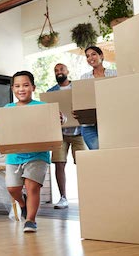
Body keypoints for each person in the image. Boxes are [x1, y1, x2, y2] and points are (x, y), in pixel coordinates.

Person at [0, 70, 64, 233]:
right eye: (17, 86)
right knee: (12, 189)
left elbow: (59, 118)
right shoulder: (8, 108)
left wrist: (61, 118)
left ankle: (30, 220)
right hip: (14, 156)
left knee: (32, 187)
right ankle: (22, 203)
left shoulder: (42, 107)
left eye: (25, 85)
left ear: (33, 87)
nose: (21, 89)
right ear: (12, 89)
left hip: (38, 154)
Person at [47, 63, 87, 209]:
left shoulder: (77, 88)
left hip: (79, 132)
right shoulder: (51, 92)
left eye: (61, 69)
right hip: (60, 134)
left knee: (83, 164)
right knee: (59, 164)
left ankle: (86, 195)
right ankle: (63, 197)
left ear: (67, 71)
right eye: (56, 70)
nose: (59, 72)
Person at [80, 46, 117, 150]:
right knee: (98, 152)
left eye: (93, 54)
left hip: (110, 121)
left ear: (101, 55)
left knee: (111, 151)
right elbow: (81, 99)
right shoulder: (84, 78)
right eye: (87, 56)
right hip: (90, 124)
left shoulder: (114, 74)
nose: (90, 58)